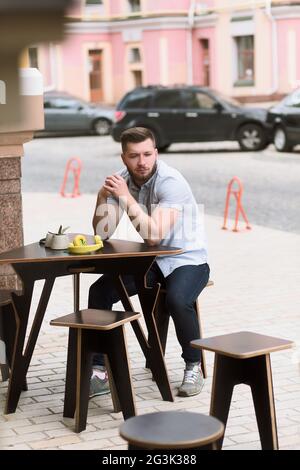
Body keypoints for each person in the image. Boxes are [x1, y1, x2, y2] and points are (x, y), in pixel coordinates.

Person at [88, 127, 209, 398]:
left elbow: (154, 236)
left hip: (187, 257)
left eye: (147, 154)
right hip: (151, 260)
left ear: (156, 153)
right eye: (134, 156)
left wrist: (126, 198)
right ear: (123, 158)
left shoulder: (170, 182)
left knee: (177, 299)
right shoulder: (121, 181)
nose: (141, 162)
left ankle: (193, 365)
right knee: (100, 291)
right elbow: (102, 233)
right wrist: (102, 198)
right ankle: (99, 371)